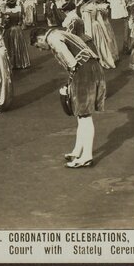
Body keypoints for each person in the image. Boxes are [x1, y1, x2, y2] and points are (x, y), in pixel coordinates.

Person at [30, 27, 106, 169]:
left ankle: (87, 156)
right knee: (81, 115)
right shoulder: (61, 33)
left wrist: (71, 82)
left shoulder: (53, 39)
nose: (41, 49)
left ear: (40, 39)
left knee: (84, 115)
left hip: (84, 71)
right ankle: (78, 151)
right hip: (91, 67)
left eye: (38, 46)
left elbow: (71, 62)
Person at [1, 0, 31, 70]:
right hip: (18, 29)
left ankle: (13, 63)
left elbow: (6, 24)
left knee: (11, 46)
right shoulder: (18, 12)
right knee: (19, 45)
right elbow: (20, 22)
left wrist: (4, 28)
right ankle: (21, 62)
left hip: (10, 30)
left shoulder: (7, 13)